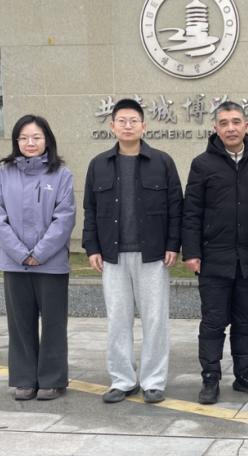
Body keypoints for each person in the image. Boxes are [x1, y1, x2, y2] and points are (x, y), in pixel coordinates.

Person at [82, 98, 183, 405]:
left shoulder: (162, 161)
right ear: (112, 126)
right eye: (122, 121)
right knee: (118, 320)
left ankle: (153, 381)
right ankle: (122, 380)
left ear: (144, 126)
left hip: (152, 255)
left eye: (134, 121)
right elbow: (90, 209)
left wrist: (173, 244)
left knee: (155, 320)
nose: (128, 126)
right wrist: (91, 247)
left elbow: (176, 207)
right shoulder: (98, 164)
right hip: (112, 256)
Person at [182, 101, 248, 404]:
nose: (230, 128)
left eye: (236, 122)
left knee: (245, 320)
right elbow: (191, 212)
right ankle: (210, 378)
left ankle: (244, 374)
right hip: (213, 259)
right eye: (224, 123)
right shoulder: (202, 164)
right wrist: (191, 252)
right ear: (216, 128)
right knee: (213, 322)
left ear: (246, 126)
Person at [0, 115, 76, 401]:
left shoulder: (61, 175)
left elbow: (65, 217)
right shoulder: (2, 175)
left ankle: (52, 379)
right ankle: (24, 379)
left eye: (37, 137)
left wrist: (39, 253)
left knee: (53, 324)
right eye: (24, 137)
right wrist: (20, 254)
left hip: (51, 264)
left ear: (47, 140)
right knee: (20, 323)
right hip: (14, 264)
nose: (30, 142)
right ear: (16, 141)